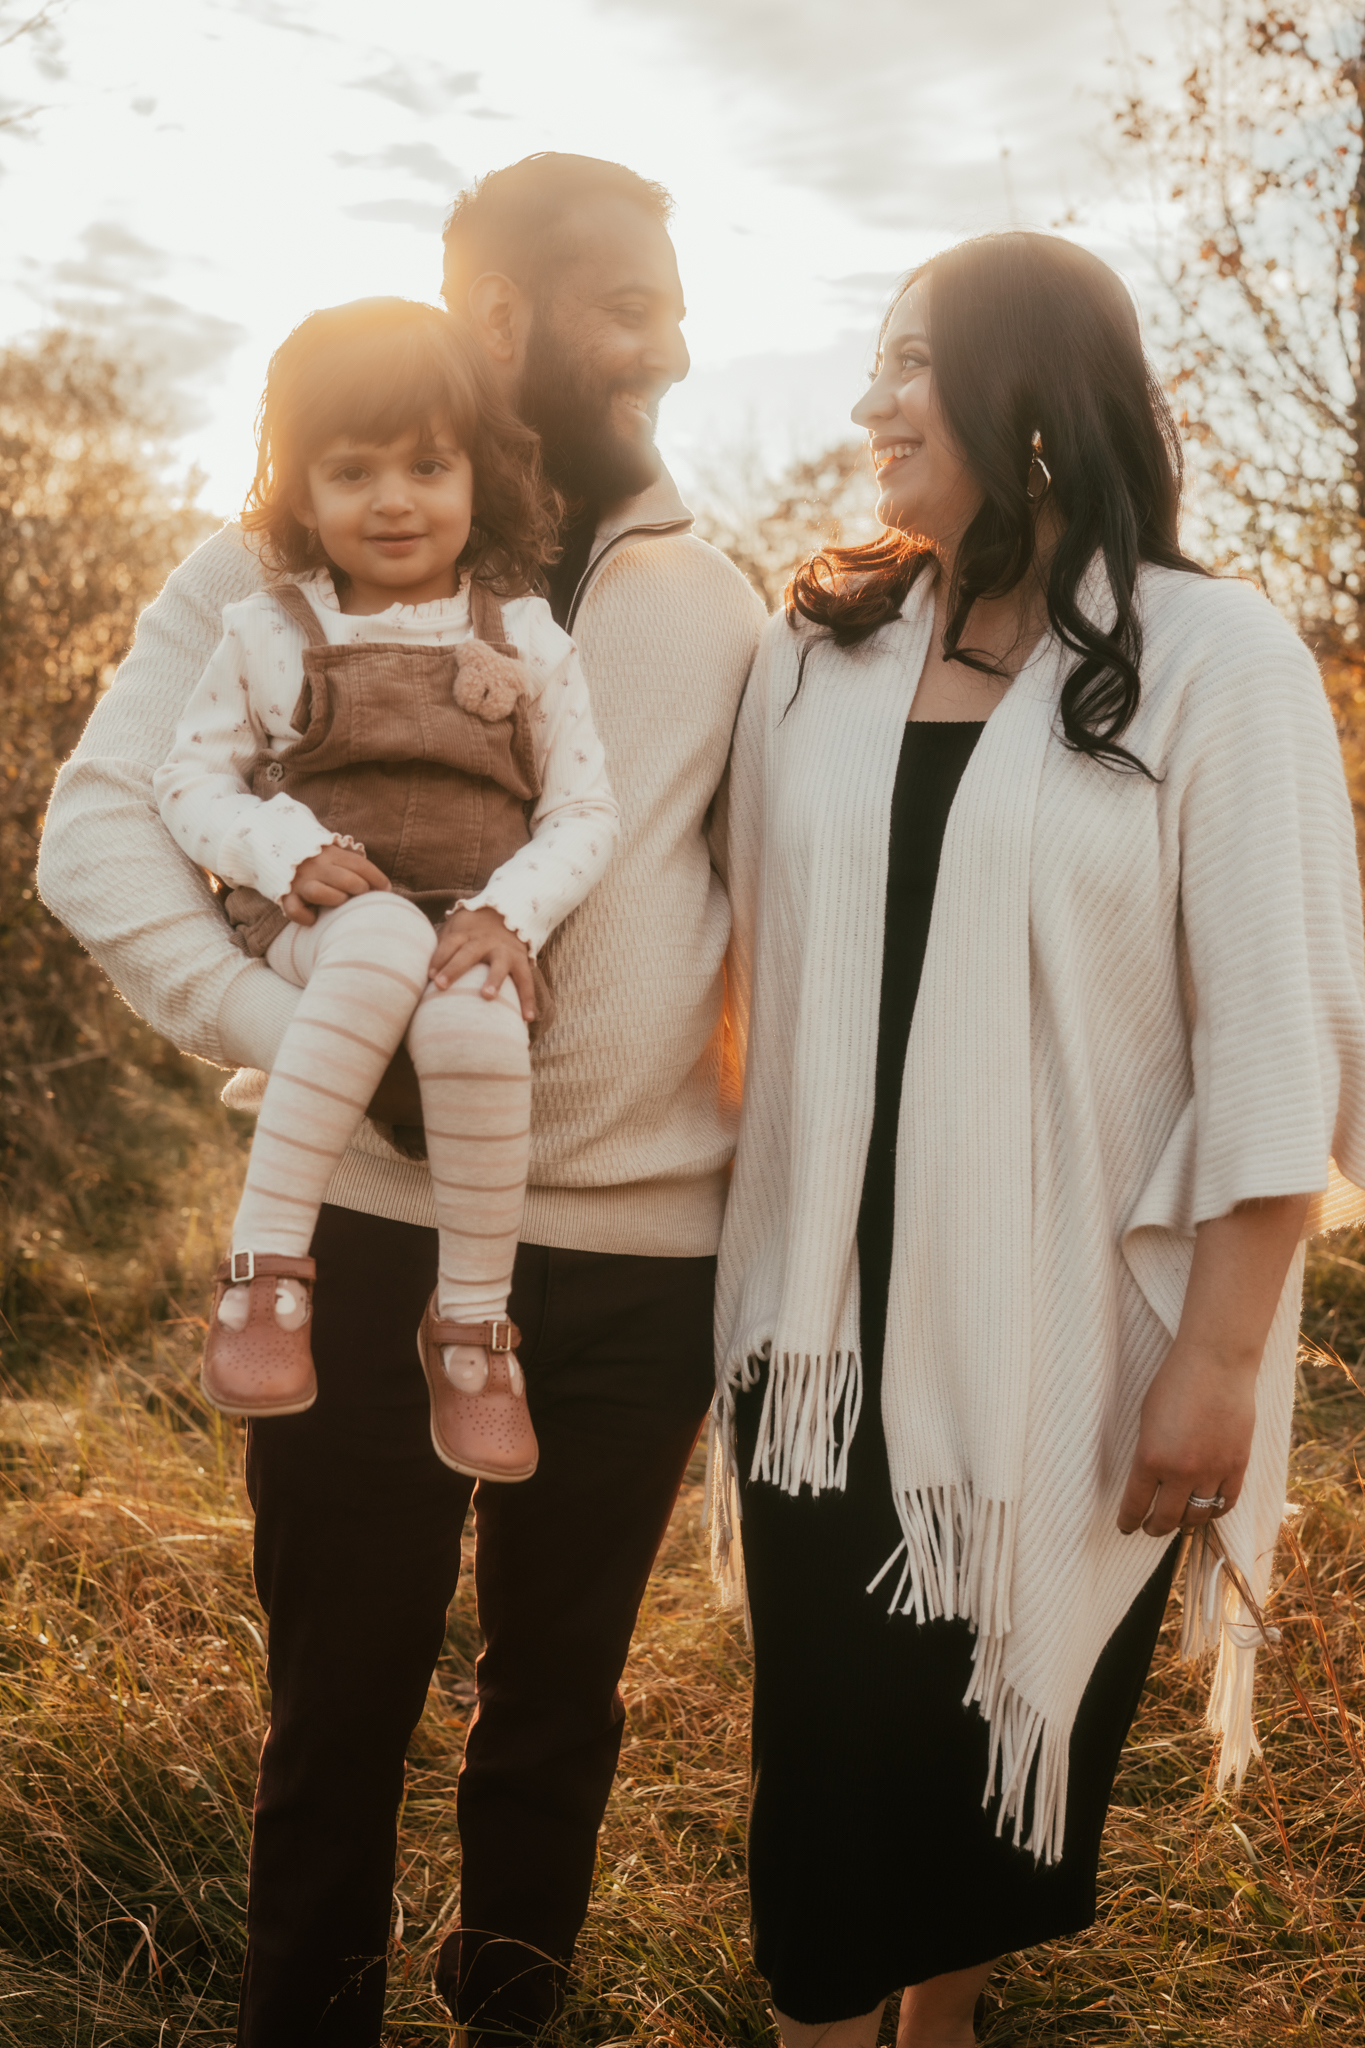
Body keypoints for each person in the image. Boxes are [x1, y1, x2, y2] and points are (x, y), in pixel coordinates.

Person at [37, 154, 765, 2046]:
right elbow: (99, 841)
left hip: (633, 1265)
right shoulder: (265, 577)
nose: (671, 336)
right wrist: (312, 1033)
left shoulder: (724, 603)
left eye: (678, 294)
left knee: (556, 1711)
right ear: (506, 314)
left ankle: (509, 2011)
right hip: (364, 1234)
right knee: (339, 1701)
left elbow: (774, 913)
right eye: (629, 298)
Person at [711, 230, 1365, 2048]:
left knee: (993, 1756)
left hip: (1072, 1330)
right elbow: (707, 926)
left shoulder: (1213, 656)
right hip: (819, 1333)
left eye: (910, 358)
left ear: (1027, 385)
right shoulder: (821, 647)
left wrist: (1222, 1355)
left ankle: (945, 2026)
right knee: (830, 1791)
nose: (867, 401)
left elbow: (1279, 1027)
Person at [154, 296, 618, 1483]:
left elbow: (582, 813)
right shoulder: (266, 627)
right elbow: (189, 783)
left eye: (427, 464)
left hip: (468, 911)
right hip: (318, 918)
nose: (395, 499)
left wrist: (508, 913)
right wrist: (279, 849)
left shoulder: (524, 633)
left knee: (472, 1014)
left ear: (477, 475)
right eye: (352, 471)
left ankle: (471, 1326)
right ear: (302, 493)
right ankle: (264, 1274)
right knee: (370, 940)